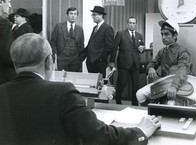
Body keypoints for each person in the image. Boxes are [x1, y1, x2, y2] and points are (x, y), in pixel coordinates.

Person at [0, 33, 160, 145]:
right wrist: (140, 131)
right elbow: (100, 136)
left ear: (15, 65)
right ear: (49, 62)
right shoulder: (62, 92)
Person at [136, 19, 192, 106]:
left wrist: (174, 86)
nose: (163, 37)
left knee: (170, 105)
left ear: (175, 35)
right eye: (162, 34)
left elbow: (183, 70)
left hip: (178, 84)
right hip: (164, 83)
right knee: (139, 94)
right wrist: (151, 68)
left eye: (166, 34)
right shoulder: (162, 51)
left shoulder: (182, 52)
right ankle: (150, 112)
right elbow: (153, 63)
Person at [109, 17, 145, 105]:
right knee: (122, 83)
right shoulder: (121, 33)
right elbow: (114, 48)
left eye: (133, 23)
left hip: (135, 64)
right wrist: (112, 61)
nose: (132, 25)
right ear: (127, 24)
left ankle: (134, 103)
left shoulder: (139, 35)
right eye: (130, 23)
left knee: (135, 85)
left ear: (136, 24)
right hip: (124, 63)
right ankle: (118, 100)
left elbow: (142, 49)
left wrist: (142, 49)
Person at [81, 6, 114, 78]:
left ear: (101, 15)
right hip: (90, 62)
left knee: (99, 84)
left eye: (94, 14)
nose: (92, 16)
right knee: (93, 83)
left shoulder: (107, 28)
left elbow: (110, 46)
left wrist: (101, 59)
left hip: (99, 63)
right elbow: (90, 45)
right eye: (92, 14)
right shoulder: (95, 28)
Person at [50, 7, 84, 72]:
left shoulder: (80, 29)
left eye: (75, 14)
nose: (73, 16)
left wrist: (80, 58)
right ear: (67, 15)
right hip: (62, 58)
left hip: (75, 59)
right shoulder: (59, 26)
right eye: (71, 14)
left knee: (74, 78)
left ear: (77, 16)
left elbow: (81, 44)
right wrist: (56, 54)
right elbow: (53, 41)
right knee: (60, 78)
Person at [0, 0, 16, 84]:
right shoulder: (4, 24)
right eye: (9, 1)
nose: (10, 6)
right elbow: (6, 57)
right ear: (0, 2)